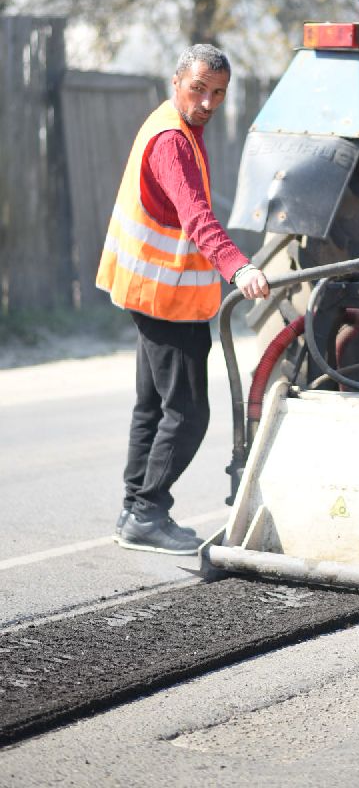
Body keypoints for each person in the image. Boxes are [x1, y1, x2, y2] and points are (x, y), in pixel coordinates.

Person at [96, 44, 270, 555]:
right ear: (177, 82)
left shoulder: (169, 122)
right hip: (166, 295)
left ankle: (135, 510)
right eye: (199, 89)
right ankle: (147, 512)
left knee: (152, 405)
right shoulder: (173, 140)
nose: (208, 102)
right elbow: (198, 219)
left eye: (218, 93)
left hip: (146, 288)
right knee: (189, 413)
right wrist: (240, 266)